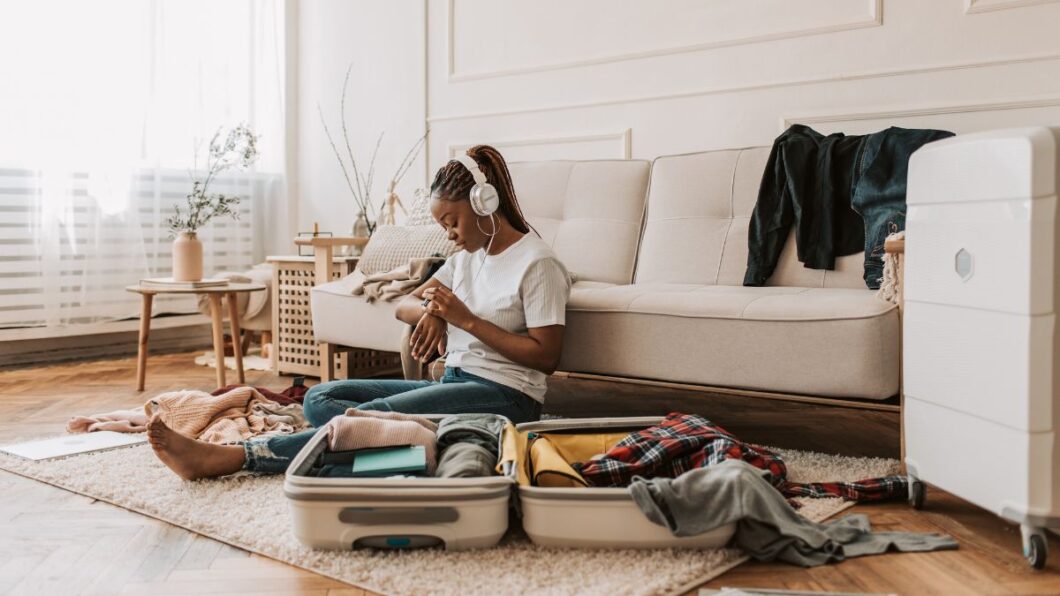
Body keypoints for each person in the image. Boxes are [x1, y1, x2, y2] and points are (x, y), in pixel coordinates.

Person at [147, 144, 573, 480]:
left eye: (453, 221)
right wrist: (435, 314)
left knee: (374, 418)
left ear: (484, 204)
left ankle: (237, 458)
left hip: (505, 396)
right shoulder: (467, 258)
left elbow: (546, 357)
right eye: (442, 224)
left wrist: (465, 320)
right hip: (457, 379)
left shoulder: (538, 264)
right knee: (321, 397)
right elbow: (406, 305)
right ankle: (399, 455)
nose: (449, 234)